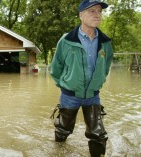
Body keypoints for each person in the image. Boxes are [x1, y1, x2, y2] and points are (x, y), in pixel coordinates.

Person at [50, 0, 113, 156]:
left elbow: (106, 66)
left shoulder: (106, 43)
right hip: (69, 96)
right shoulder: (66, 41)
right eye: (92, 11)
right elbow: (56, 67)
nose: (97, 14)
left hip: (93, 96)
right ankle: (58, 151)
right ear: (81, 15)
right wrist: (65, 85)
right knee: (63, 129)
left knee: (98, 134)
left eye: (99, 11)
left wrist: (99, 81)